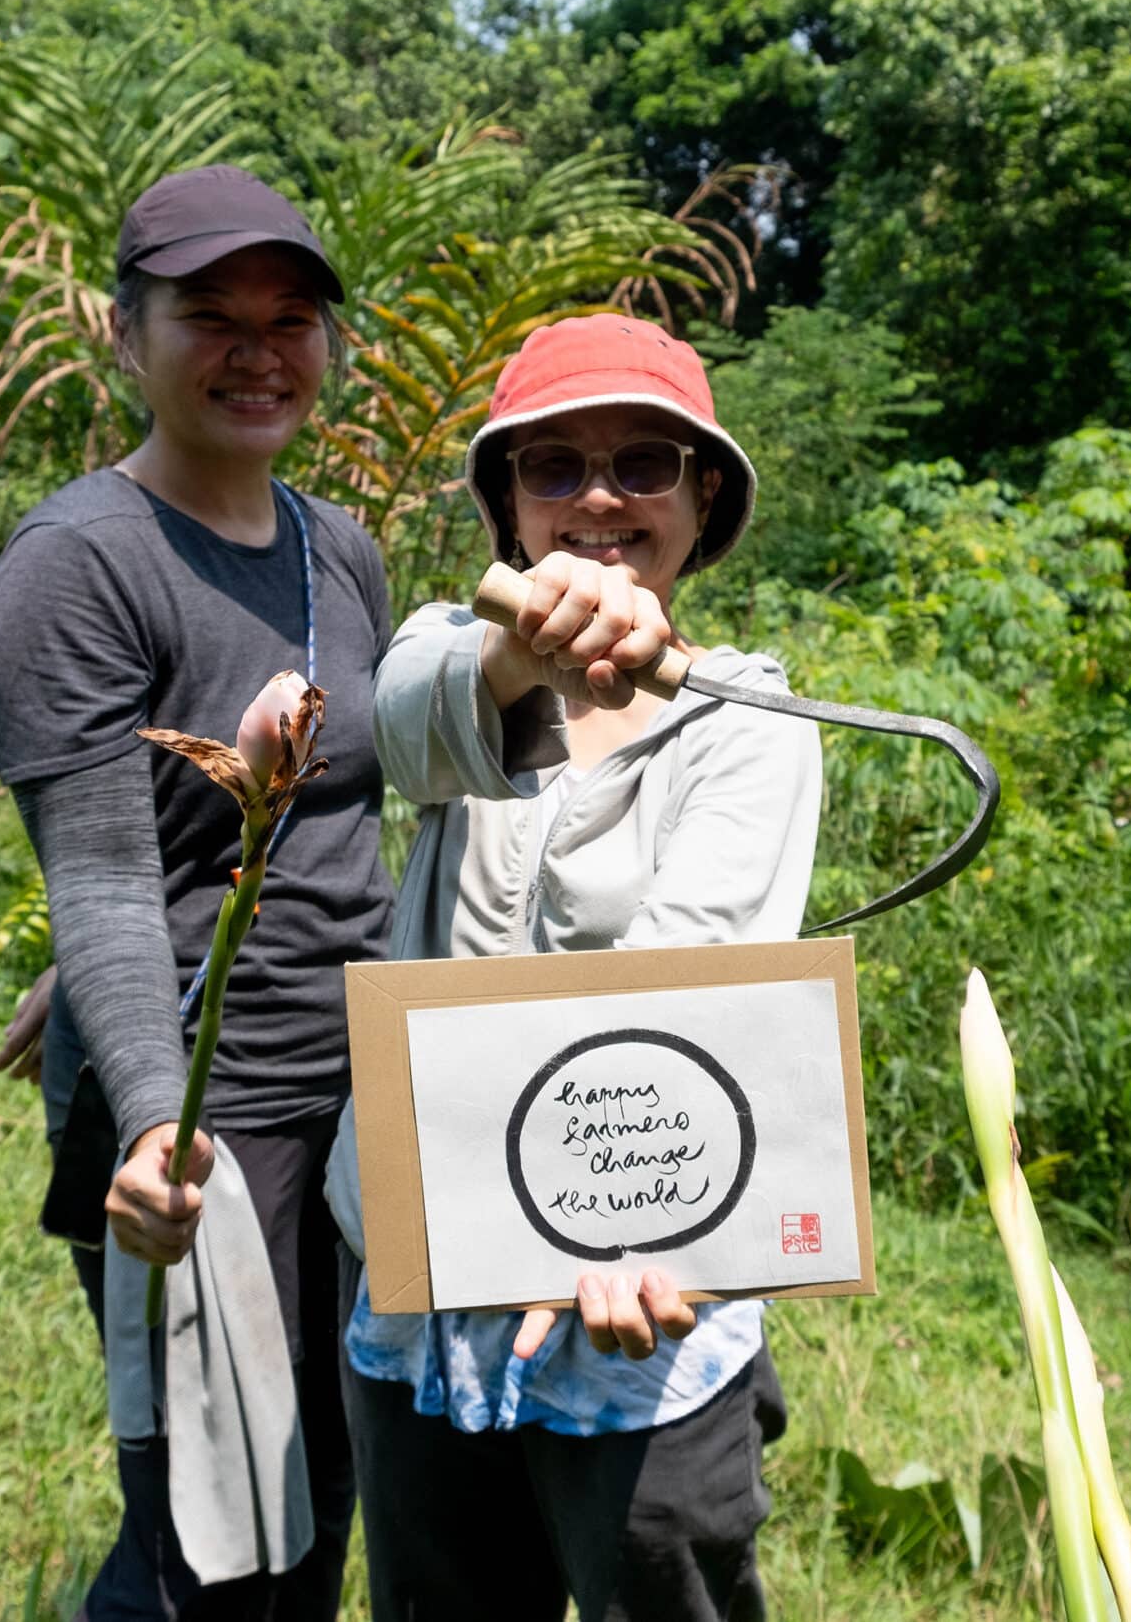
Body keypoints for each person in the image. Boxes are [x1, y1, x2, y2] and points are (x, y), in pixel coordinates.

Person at [329, 313, 822, 1621]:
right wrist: (519, 650)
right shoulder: (453, 656)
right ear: (505, 503)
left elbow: (693, 968)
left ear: (701, 495)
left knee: (657, 1581)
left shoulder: (751, 720)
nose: (599, 498)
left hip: (636, 1283)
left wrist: (611, 1212)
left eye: (644, 464)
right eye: (552, 467)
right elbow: (401, 732)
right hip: (425, 1264)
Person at [0, 164, 392, 1621]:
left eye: (291, 317)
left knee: (330, 1479)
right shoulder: (77, 568)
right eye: (209, 314)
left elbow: (350, 814)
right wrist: (150, 1113)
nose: (258, 351)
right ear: (120, 329)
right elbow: (93, 863)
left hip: (365, 1085)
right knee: (209, 1528)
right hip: (214, 1101)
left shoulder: (344, 553)